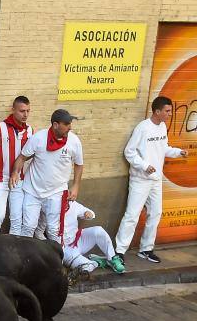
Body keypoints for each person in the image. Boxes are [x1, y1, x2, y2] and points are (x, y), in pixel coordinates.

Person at [115, 96, 187, 265]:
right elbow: (129, 152)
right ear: (157, 111)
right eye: (167, 111)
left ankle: (146, 249)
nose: (170, 114)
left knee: (155, 213)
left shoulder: (162, 127)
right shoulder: (143, 128)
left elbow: (164, 148)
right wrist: (144, 165)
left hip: (156, 180)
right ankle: (119, 251)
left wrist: (177, 152)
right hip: (140, 180)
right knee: (132, 215)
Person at [11, 109, 84, 242]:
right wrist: (15, 172)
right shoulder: (38, 138)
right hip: (32, 190)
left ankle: (56, 260)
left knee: (53, 230)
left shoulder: (74, 141)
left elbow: (79, 164)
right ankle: (24, 260)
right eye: (66, 124)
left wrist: (76, 186)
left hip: (56, 192)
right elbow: (22, 157)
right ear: (55, 125)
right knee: (28, 227)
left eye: (70, 123)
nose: (70, 127)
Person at [0, 96, 33, 235]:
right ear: (13, 110)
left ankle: (13, 252)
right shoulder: (0, 127)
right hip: (0, 179)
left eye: (28, 111)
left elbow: (34, 153)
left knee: (17, 220)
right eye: (22, 111)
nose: (25, 115)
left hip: (19, 179)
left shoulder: (30, 131)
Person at [61, 201, 125, 275]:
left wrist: (88, 214)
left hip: (77, 240)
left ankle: (112, 259)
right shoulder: (50, 207)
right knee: (87, 267)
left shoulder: (72, 204)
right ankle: (97, 262)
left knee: (98, 230)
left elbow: (90, 213)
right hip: (65, 250)